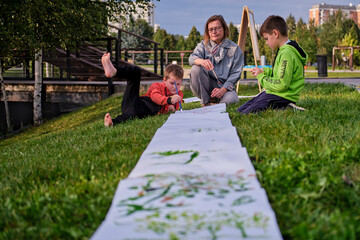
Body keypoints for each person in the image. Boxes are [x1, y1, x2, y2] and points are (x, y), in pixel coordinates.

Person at [237, 15, 308, 114]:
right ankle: (282, 106)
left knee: (246, 113)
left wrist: (260, 76)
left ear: (275, 33)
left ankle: (285, 106)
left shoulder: (286, 54)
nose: (266, 43)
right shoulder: (284, 51)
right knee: (240, 110)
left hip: (282, 96)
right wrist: (264, 71)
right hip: (275, 94)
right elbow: (278, 73)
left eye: (266, 39)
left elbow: (281, 84)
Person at [102, 53, 183, 127]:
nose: (174, 87)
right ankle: (114, 71)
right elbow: (156, 97)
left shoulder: (179, 94)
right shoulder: (157, 86)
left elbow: (174, 107)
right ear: (164, 80)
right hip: (136, 102)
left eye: (178, 84)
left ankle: (111, 123)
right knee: (136, 71)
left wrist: (172, 109)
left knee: (129, 116)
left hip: (138, 112)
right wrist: (169, 100)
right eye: (172, 83)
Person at [189, 15, 244, 106]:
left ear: (224, 29)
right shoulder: (203, 45)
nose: (214, 32)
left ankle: (215, 104)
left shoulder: (234, 48)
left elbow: (236, 73)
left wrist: (223, 89)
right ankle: (206, 102)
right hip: (205, 87)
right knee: (196, 68)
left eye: (217, 28)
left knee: (232, 100)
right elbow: (192, 58)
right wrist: (201, 61)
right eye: (210, 29)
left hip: (225, 87)